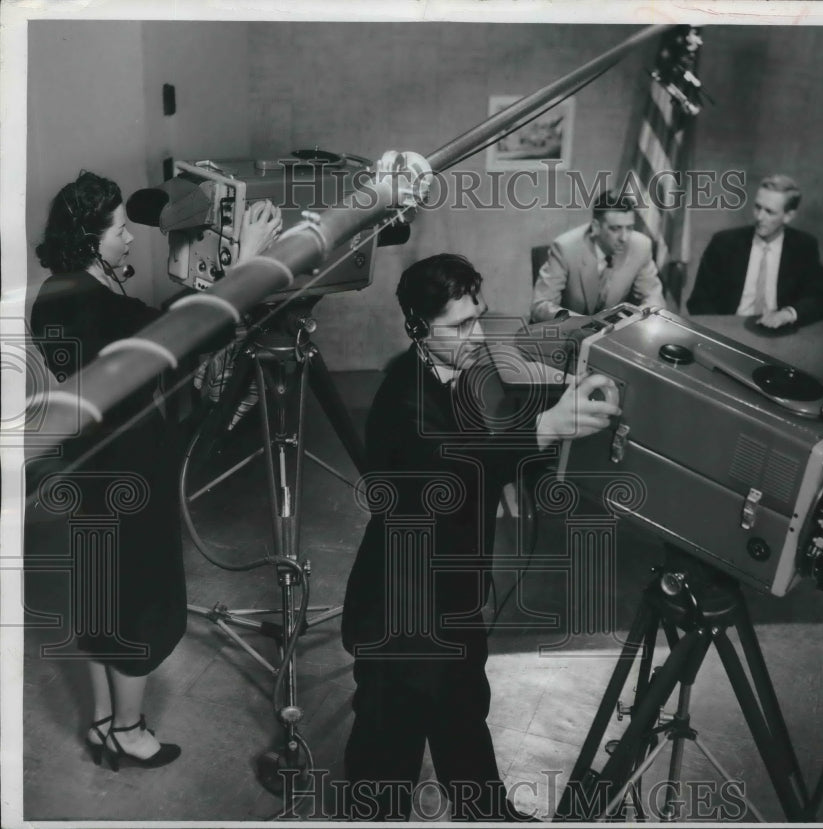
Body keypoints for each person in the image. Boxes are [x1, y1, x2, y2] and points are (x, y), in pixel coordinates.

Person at [341, 254, 620, 821]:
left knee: (463, 712)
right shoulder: (401, 399)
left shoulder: (458, 371)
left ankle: (487, 815)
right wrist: (542, 429)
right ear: (418, 328)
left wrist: (570, 384)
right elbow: (454, 462)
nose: (477, 336)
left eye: (480, 318)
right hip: (403, 611)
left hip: (456, 594)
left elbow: (489, 430)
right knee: (387, 754)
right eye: (461, 325)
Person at [30, 171, 280, 770]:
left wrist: (191, 279)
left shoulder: (56, 292)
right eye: (119, 229)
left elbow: (142, 325)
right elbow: (177, 334)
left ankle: (98, 723)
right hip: (129, 473)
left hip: (86, 467)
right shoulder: (100, 309)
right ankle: (129, 729)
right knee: (141, 600)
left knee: (98, 597)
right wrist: (244, 264)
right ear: (91, 237)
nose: (127, 240)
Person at [686, 174, 823, 328]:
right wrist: (722, 330)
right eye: (757, 207)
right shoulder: (724, 243)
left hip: (778, 333)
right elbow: (699, 301)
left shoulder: (803, 247)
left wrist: (787, 314)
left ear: (788, 216)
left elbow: (818, 300)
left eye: (769, 212)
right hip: (729, 330)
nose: (760, 217)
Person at [530, 190, 666, 322]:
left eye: (629, 228)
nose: (624, 238)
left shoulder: (641, 246)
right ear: (596, 227)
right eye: (615, 228)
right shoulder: (565, 248)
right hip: (571, 333)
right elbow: (541, 306)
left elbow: (654, 299)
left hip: (616, 333)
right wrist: (585, 323)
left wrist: (632, 320)